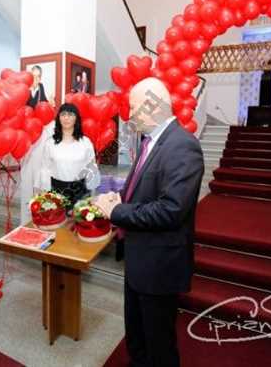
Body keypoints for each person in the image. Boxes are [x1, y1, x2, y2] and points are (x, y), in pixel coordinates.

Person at [94, 77, 204, 367]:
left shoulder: (183, 146)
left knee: (159, 346)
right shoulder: (151, 142)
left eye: (134, 108)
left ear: (152, 106)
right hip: (139, 259)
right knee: (137, 336)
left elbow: (170, 210)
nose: (130, 115)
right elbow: (138, 191)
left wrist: (117, 212)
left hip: (159, 266)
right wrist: (115, 199)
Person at [35, 103, 99, 209]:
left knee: (79, 218)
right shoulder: (50, 143)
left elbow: (92, 168)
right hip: (56, 191)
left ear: (76, 119)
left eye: (70, 114)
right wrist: (43, 195)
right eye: (63, 114)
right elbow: (45, 168)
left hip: (80, 192)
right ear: (59, 118)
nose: (66, 118)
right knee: (58, 219)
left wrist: (93, 196)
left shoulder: (85, 142)